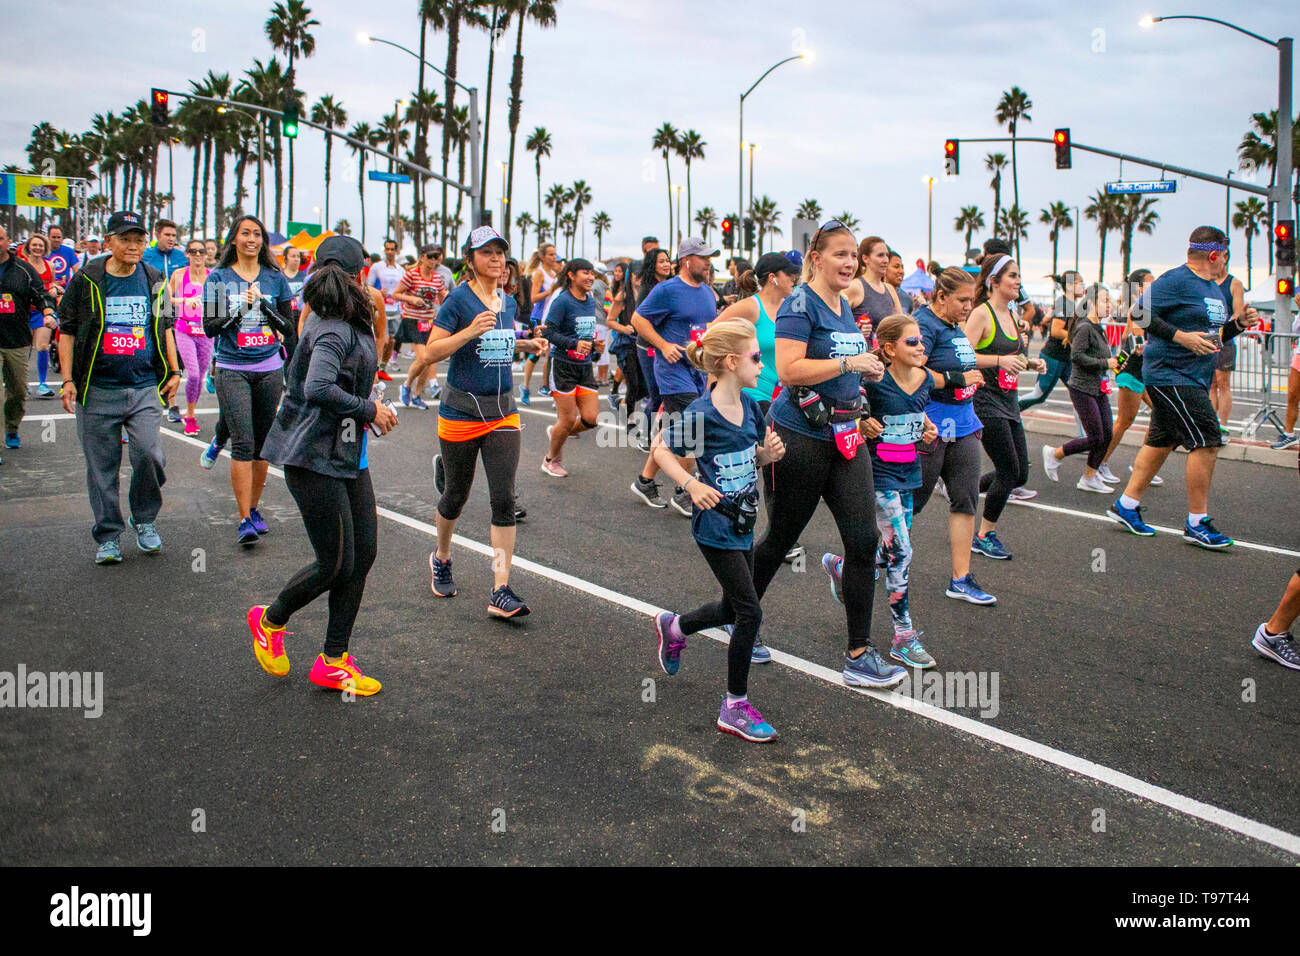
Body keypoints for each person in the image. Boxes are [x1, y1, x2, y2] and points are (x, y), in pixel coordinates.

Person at [749, 219, 905, 688]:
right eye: (840, 254)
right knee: (780, 540)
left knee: (864, 543)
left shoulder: (843, 304)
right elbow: (790, 370)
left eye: (854, 255)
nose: (849, 262)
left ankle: (859, 655)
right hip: (798, 437)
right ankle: (739, 615)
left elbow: (843, 367)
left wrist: (865, 375)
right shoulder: (800, 304)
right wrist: (847, 363)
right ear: (815, 258)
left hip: (846, 436)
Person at [253, 237, 397, 697]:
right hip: (312, 457)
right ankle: (270, 620)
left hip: (345, 453)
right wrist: (369, 409)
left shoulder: (343, 319)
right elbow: (318, 387)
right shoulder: (334, 326)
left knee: (364, 554)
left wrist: (366, 405)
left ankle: (333, 660)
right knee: (335, 562)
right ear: (363, 273)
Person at [651, 319, 787, 742]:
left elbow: (750, 460)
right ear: (731, 361)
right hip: (714, 528)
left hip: (743, 523)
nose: (762, 364)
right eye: (756, 356)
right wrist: (690, 484)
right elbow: (661, 450)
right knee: (750, 612)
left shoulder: (752, 407)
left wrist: (765, 455)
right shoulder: (702, 413)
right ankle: (735, 705)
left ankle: (676, 627)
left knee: (731, 609)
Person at [1107, 226, 1258, 547]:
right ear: (1214, 255)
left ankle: (1126, 505)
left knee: (1162, 440)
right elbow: (1139, 313)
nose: (1226, 263)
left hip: (1193, 376)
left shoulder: (1213, 289)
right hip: (1171, 374)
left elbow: (1211, 338)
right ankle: (1197, 522)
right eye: (1225, 256)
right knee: (1208, 440)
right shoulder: (1176, 280)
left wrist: (1238, 325)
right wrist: (1180, 337)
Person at [425, 226, 545, 617]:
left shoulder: (507, 302)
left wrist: (525, 344)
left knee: (503, 499)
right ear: (471, 260)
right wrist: (468, 330)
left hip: (502, 413)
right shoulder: (458, 301)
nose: (495, 259)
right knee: (455, 496)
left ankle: (501, 588)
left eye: (500, 253)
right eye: (486, 253)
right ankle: (442, 555)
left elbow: (496, 346)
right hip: (460, 413)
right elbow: (430, 353)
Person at [56, 210, 181, 564]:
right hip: (96, 389)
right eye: (125, 239)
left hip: (143, 385)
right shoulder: (87, 279)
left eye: (139, 240)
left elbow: (166, 326)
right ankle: (108, 535)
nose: (132, 246)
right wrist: (67, 380)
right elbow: (66, 330)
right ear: (108, 241)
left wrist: (174, 370)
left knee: (149, 454)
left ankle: (144, 520)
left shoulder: (155, 278)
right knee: (102, 468)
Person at [824, 314, 942, 667]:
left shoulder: (925, 380)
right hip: (877, 475)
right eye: (912, 342)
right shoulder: (873, 381)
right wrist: (861, 421)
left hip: (909, 471)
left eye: (922, 341)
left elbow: (917, 412)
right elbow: (847, 411)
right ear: (889, 349)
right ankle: (903, 636)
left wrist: (927, 427)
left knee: (889, 551)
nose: (921, 347)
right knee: (903, 552)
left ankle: (845, 567)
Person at [202, 215, 296, 546]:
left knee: (262, 446)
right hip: (231, 368)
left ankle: (255, 509)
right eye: (245, 233)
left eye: (257, 234)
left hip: (269, 368)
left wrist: (263, 308)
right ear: (234, 239)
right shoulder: (218, 278)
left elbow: (288, 326)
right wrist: (240, 308)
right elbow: (210, 327)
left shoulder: (275, 278)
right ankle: (243, 518)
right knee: (243, 442)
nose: (251, 239)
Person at [911, 267, 997, 604]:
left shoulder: (954, 326)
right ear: (941, 296)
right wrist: (956, 379)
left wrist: (973, 378)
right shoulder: (924, 325)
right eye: (962, 300)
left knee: (965, 499)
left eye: (971, 299)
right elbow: (911, 372)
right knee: (911, 502)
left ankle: (961, 579)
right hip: (929, 426)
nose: (968, 306)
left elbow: (962, 364)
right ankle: (873, 556)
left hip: (964, 425)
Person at [714, 252, 803, 566]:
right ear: (773, 277)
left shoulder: (793, 308)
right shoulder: (752, 306)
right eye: (791, 273)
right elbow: (712, 335)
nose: (796, 278)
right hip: (755, 394)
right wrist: (723, 379)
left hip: (786, 395)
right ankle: (772, 536)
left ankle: (766, 533)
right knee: (771, 461)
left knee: (773, 461)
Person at [961, 255, 1045, 560]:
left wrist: (1030, 362)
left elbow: (1011, 357)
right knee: (1009, 471)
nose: (1018, 281)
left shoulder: (1010, 314)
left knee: (1020, 474)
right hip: (985, 401)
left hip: (1008, 401)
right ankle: (983, 535)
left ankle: (965, 487)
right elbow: (964, 356)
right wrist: (999, 361)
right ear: (993, 281)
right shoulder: (981, 314)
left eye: (1019, 275)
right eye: (1012, 275)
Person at [630, 238, 720, 517]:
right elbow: (638, 320)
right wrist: (663, 345)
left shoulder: (707, 291)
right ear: (687, 260)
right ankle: (684, 492)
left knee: (669, 432)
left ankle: (644, 481)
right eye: (703, 257)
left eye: (710, 257)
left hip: (697, 370)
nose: (708, 262)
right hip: (672, 372)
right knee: (695, 427)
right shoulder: (667, 290)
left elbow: (704, 330)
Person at [1042, 283, 1118, 492]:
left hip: (1098, 388)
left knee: (1107, 435)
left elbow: (1099, 356)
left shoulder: (1097, 328)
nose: (1109, 305)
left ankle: (1089, 477)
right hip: (1082, 388)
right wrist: (1105, 364)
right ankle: (1055, 454)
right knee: (1096, 437)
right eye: (1105, 301)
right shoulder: (1084, 327)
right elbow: (1077, 356)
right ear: (1092, 303)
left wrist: (1115, 362)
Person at [541, 259, 605, 476]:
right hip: (562, 366)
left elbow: (583, 332)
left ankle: (558, 432)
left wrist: (594, 346)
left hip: (584, 366)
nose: (590, 277)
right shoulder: (563, 301)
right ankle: (550, 460)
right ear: (571, 275)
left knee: (591, 419)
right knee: (567, 419)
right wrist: (574, 344)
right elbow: (548, 332)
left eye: (592, 274)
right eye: (585, 273)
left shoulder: (589, 300)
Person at [1099, 270, 1163, 484]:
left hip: (1146, 372)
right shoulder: (1139, 308)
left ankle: (1141, 465)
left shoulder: (1152, 308)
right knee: (1125, 421)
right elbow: (1136, 339)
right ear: (1138, 289)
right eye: (1150, 283)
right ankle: (1099, 463)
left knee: (1161, 414)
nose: (1155, 286)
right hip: (1132, 371)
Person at [0, 224, 57, 448]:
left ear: (8, 241)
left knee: (17, 392)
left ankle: (12, 427)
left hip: (16, 340)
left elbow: (40, 294)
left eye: (1, 238)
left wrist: (48, 312)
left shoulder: (22, 270)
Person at [628, 247, 673, 456]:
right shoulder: (649, 289)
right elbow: (640, 319)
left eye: (668, 261)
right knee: (656, 394)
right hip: (648, 347)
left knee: (665, 394)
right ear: (652, 264)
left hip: (666, 345)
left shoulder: (671, 285)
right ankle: (645, 435)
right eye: (662, 261)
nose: (666, 264)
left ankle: (664, 435)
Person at [166, 238, 213, 436]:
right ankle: (191, 417)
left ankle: (190, 412)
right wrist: (185, 300)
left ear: (206, 255)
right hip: (184, 330)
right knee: (192, 373)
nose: (198, 255)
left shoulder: (212, 277)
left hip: (205, 333)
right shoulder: (179, 274)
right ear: (187, 254)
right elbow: (166, 299)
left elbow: (219, 303)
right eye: (193, 251)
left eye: (201, 251)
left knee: (199, 377)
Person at [1019, 269, 1083, 411]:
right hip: (1053, 357)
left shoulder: (1068, 304)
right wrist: (1078, 337)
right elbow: (1056, 331)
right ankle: (1010, 411)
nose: (1083, 286)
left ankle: (1087, 432)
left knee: (1080, 396)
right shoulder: (1065, 303)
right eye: (1080, 283)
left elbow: (1046, 320)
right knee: (1039, 395)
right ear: (1070, 286)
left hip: (1066, 358)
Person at [393, 245, 448, 408]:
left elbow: (442, 296)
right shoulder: (411, 275)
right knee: (423, 358)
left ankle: (417, 394)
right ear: (422, 257)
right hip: (412, 320)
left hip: (429, 321)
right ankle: (406, 384)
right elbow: (395, 294)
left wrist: (448, 299)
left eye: (436, 257)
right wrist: (412, 299)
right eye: (430, 257)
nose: (433, 260)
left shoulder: (437, 278)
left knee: (429, 359)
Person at [19, 234, 60, 399]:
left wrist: (54, 289)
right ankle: (22, 382)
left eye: (41, 246)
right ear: (29, 247)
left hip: (42, 311)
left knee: (42, 346)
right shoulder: (22, 265)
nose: (37, 248)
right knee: (24, 347)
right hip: (23, 311)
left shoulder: (49, 265)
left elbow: (52, 283)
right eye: (34, 245)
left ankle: (42, 384)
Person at [1209, 251, 1244, 435]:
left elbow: (1238, 316)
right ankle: (1212, 422)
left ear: (1226, 258)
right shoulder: (1207, 281)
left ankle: (1223, 423)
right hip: (1207, 338)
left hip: (1224, 339)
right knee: (1211, 383)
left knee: (1223, 383)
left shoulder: (1234, 283)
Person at [844, 235, 902, 338]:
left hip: (886, 352)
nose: (885, 260)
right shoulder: (855, 287)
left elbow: (901, 327)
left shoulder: (890, 289)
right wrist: (856, 330)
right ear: (865, 258)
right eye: (880, 255)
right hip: (863, 352)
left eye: (886, 255)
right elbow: (835, 323)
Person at [368, 238, 405, 371]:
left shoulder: (400, 270)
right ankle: (375, 365)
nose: (389, 252)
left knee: (393, 341)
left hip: (396, 308)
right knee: (384, 339)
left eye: (392, 249)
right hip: (381, 307)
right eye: (387, 249)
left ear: (396, 251)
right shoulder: (377, 267)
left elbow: (404, 289)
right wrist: (378, 292)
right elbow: (368, 287)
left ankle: (383, 365)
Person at [886, 250, 915, 315]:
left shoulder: (907, 299)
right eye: (896, 267)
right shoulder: (874, 294)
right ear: (885, 267)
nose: (901, 271)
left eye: (902, 267)